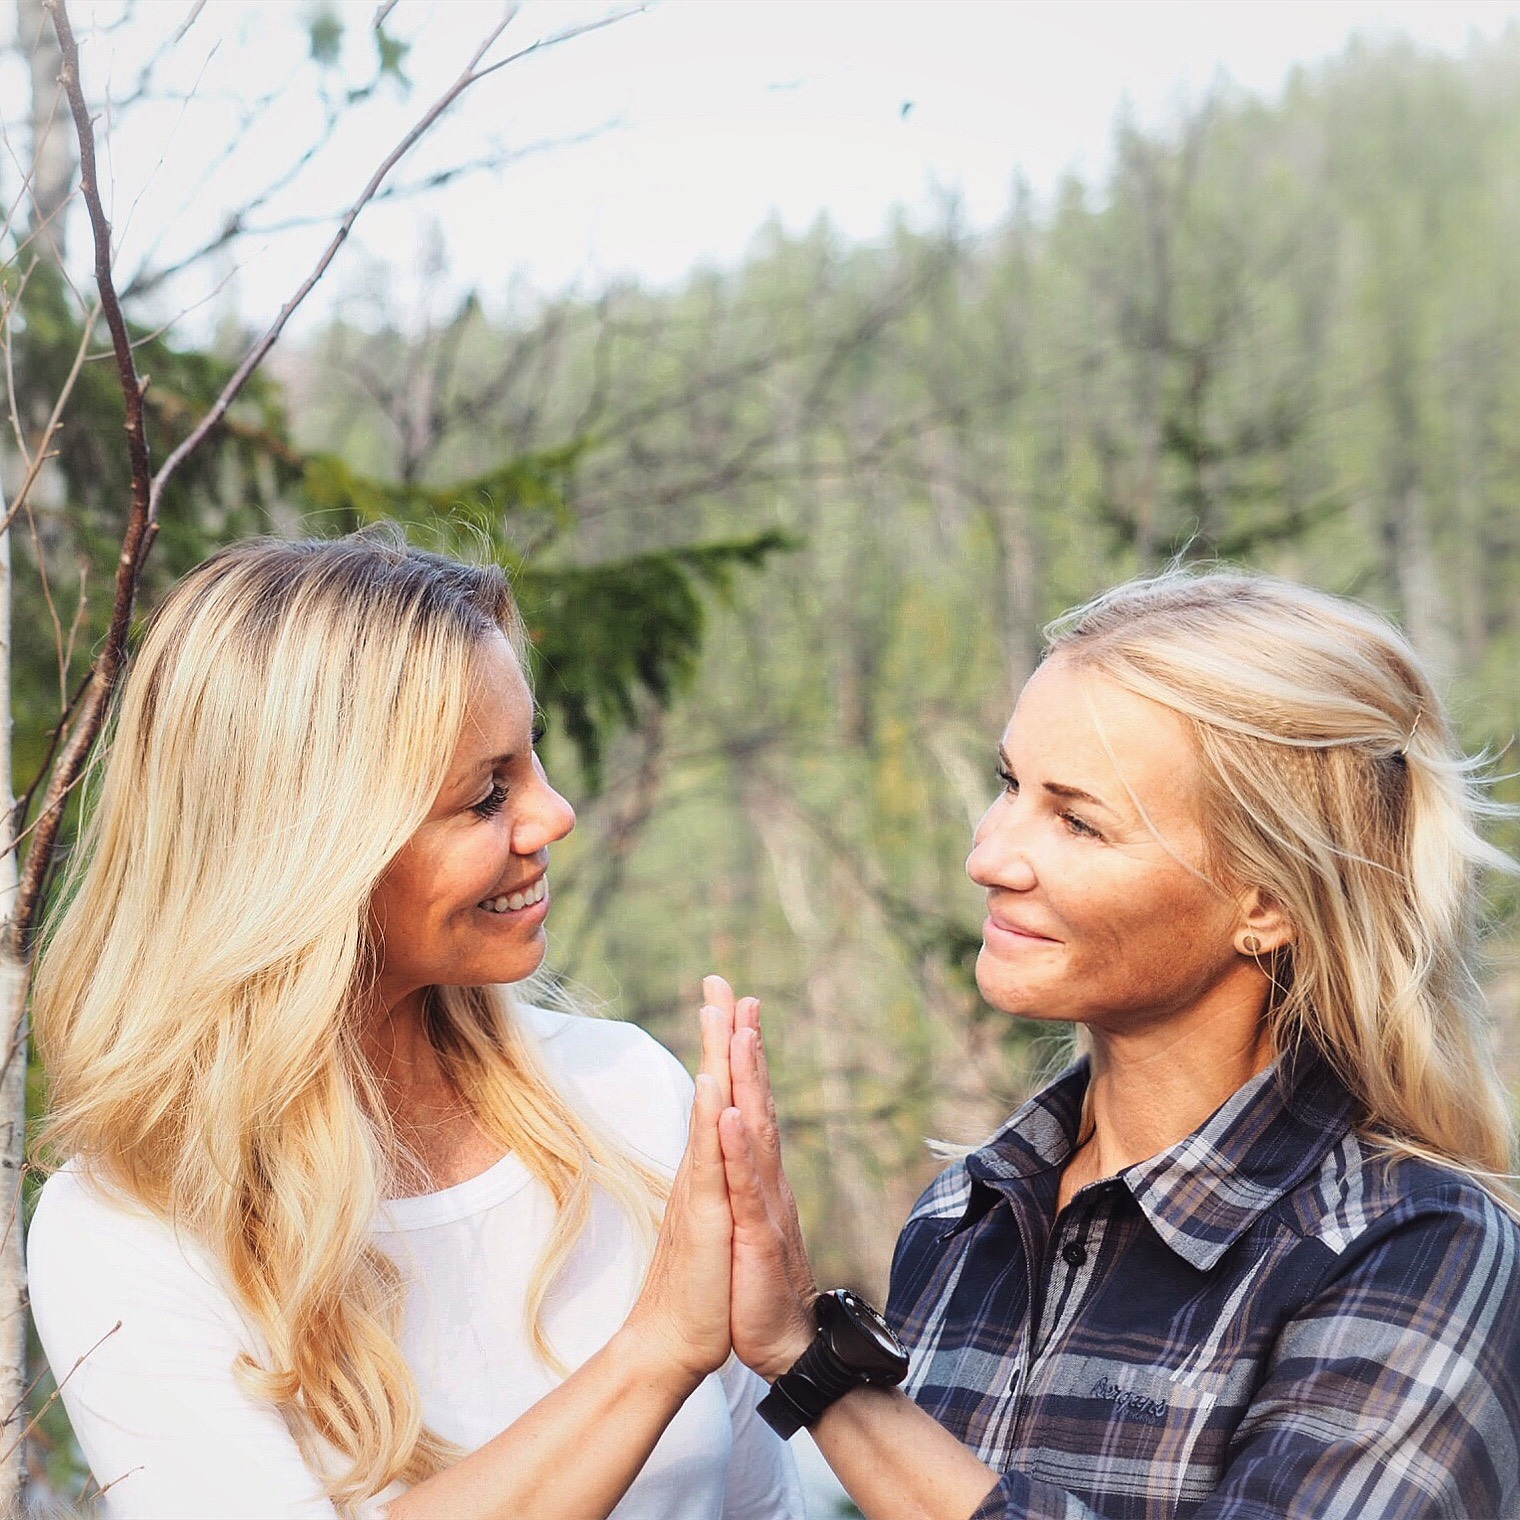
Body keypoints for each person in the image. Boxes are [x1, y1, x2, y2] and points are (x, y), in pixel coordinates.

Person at [708, 568, 1520, 1519]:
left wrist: (825, 1374)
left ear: (1266, 902)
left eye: (1077, 820)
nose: (990, 855)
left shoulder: (1416, 1253)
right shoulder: (963, 1222)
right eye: (1010, 784)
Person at [27, 534, 802, 1519]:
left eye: (531, 760)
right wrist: (653, 1350)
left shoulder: (625, 1094)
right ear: (315, 851)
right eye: (486, 794)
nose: (553, 814)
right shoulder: (132, 1223)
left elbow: (760, 1504)